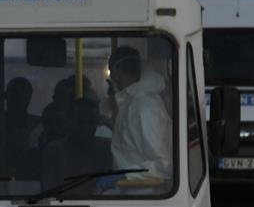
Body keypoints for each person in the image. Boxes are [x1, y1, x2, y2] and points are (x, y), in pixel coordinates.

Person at [99, 46, 171, 190]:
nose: (111, 79)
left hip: (145, 196)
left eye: (111, 74)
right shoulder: (133, 102)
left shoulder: (144, 107)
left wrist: (126, 176)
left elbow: (164, 164)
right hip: (133, 194)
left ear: (117, 73)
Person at [41, 98, 112, 190]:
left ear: (97, 122)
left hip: (101, 203)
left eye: (92, 122)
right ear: (69, 121)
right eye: (80, 121)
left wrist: (111, 124)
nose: (86, 127)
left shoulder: (106, 148)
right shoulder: (54, 151)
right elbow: (49, 190)